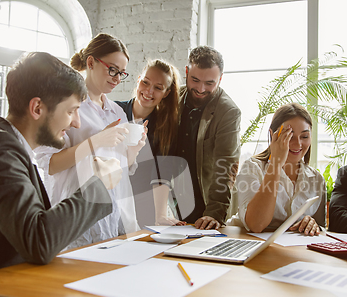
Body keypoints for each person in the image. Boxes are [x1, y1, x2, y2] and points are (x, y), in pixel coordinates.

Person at [0, 52, 121, 285]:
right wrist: (98, 185)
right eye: (71, 111)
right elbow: (38, 241)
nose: (77, 122)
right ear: (37, 108)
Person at [35, 33, 145, 250]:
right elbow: (50, 164)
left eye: (121, 73)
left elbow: (120, 169)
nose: (116, 78)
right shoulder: (65, 105)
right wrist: (96, 141)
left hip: (112, 214)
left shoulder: (116, 111)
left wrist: (134, 150)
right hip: (76, 211)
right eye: (112, 69)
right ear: (91, 62)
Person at [227, 103, 325, 234]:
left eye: (304, 136)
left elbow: (320, 229)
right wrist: (276, 164)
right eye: (289, 135)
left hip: (289, 249)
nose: (298, 144)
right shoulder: (253, 168)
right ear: (272, 135)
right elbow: (256, 224)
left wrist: (312, 224)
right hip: (245, 242)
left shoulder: (316, 180)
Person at [173, 45, 241, 230]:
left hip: (204, 208)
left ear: (220, 79)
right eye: (195, 80)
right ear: (186, 72)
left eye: (209, 83)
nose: (201, 89)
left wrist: (215, 213)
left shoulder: (228, 111)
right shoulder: (171, 98)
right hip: (169, 207)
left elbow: (226, 166)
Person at [115, 59, 185, 226]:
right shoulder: (115, 111)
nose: (148, 91)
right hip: (113, 199)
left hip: (146, 205)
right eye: (145, 82)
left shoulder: (165, 127)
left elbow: (163, 172)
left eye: (158, 88)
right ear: (138, 79)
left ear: (166, 93)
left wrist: (160, 215)